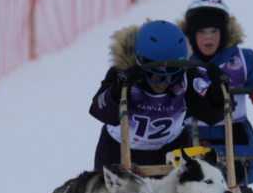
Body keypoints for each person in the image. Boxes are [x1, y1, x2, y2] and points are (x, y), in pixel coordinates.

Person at [89, 20, 228, 171]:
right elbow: (99, 110)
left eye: (172, 74)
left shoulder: (188, 77)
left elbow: (211, 116)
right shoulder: (122, 73)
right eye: (157, 75)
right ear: (141, 62)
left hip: (170, 152)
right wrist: (117, 91)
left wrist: (217, 93)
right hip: (119, 150)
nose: (164, 82)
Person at [177, 0, 253, 184]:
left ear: (224, 32)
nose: (208, 38)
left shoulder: (244, 58)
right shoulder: (180, 60)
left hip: (234, 133)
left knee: (233, 192)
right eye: (202, 32)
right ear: (191, 34)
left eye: (214, 31)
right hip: (189, 132)